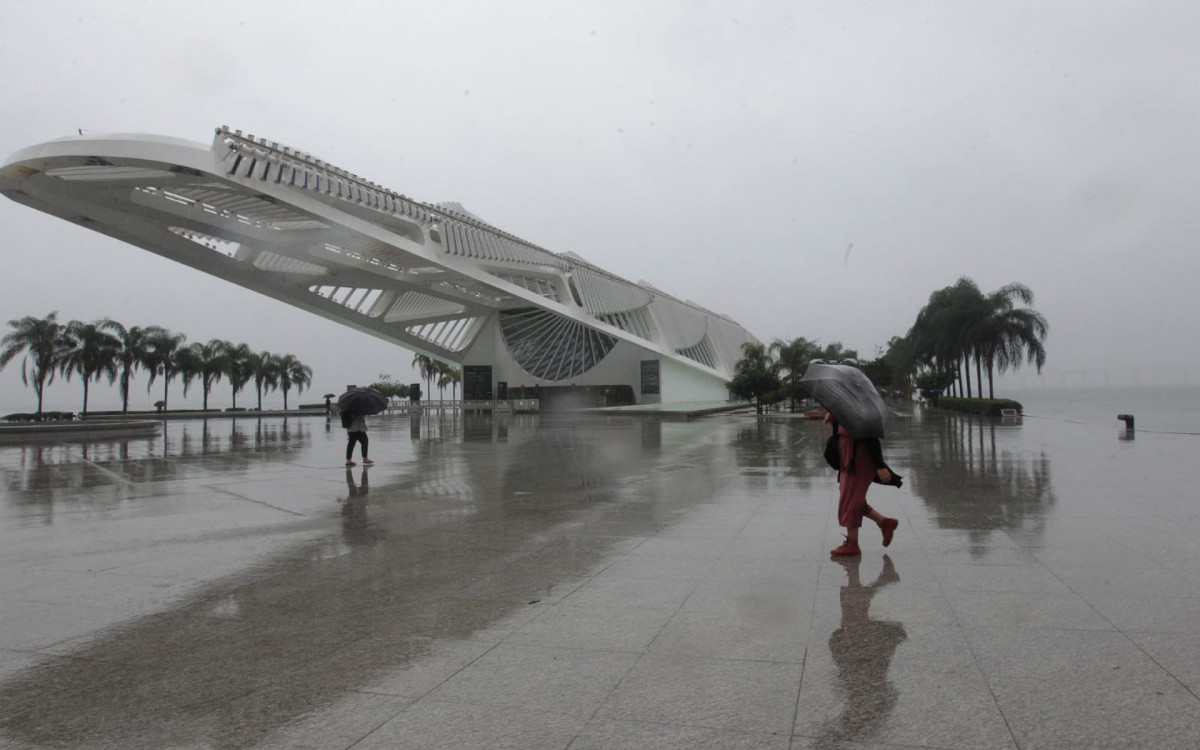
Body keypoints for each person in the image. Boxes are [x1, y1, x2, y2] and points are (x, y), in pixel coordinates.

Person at [826, 414, 900, 557]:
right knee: (851, 497)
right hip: (847, 456)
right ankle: (885, 523)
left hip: (859, 457)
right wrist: (833, 417)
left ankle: (852, 544)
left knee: (850, 498)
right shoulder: (844, 406)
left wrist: (880, 465)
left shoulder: (859, 409)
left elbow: (871, 436)